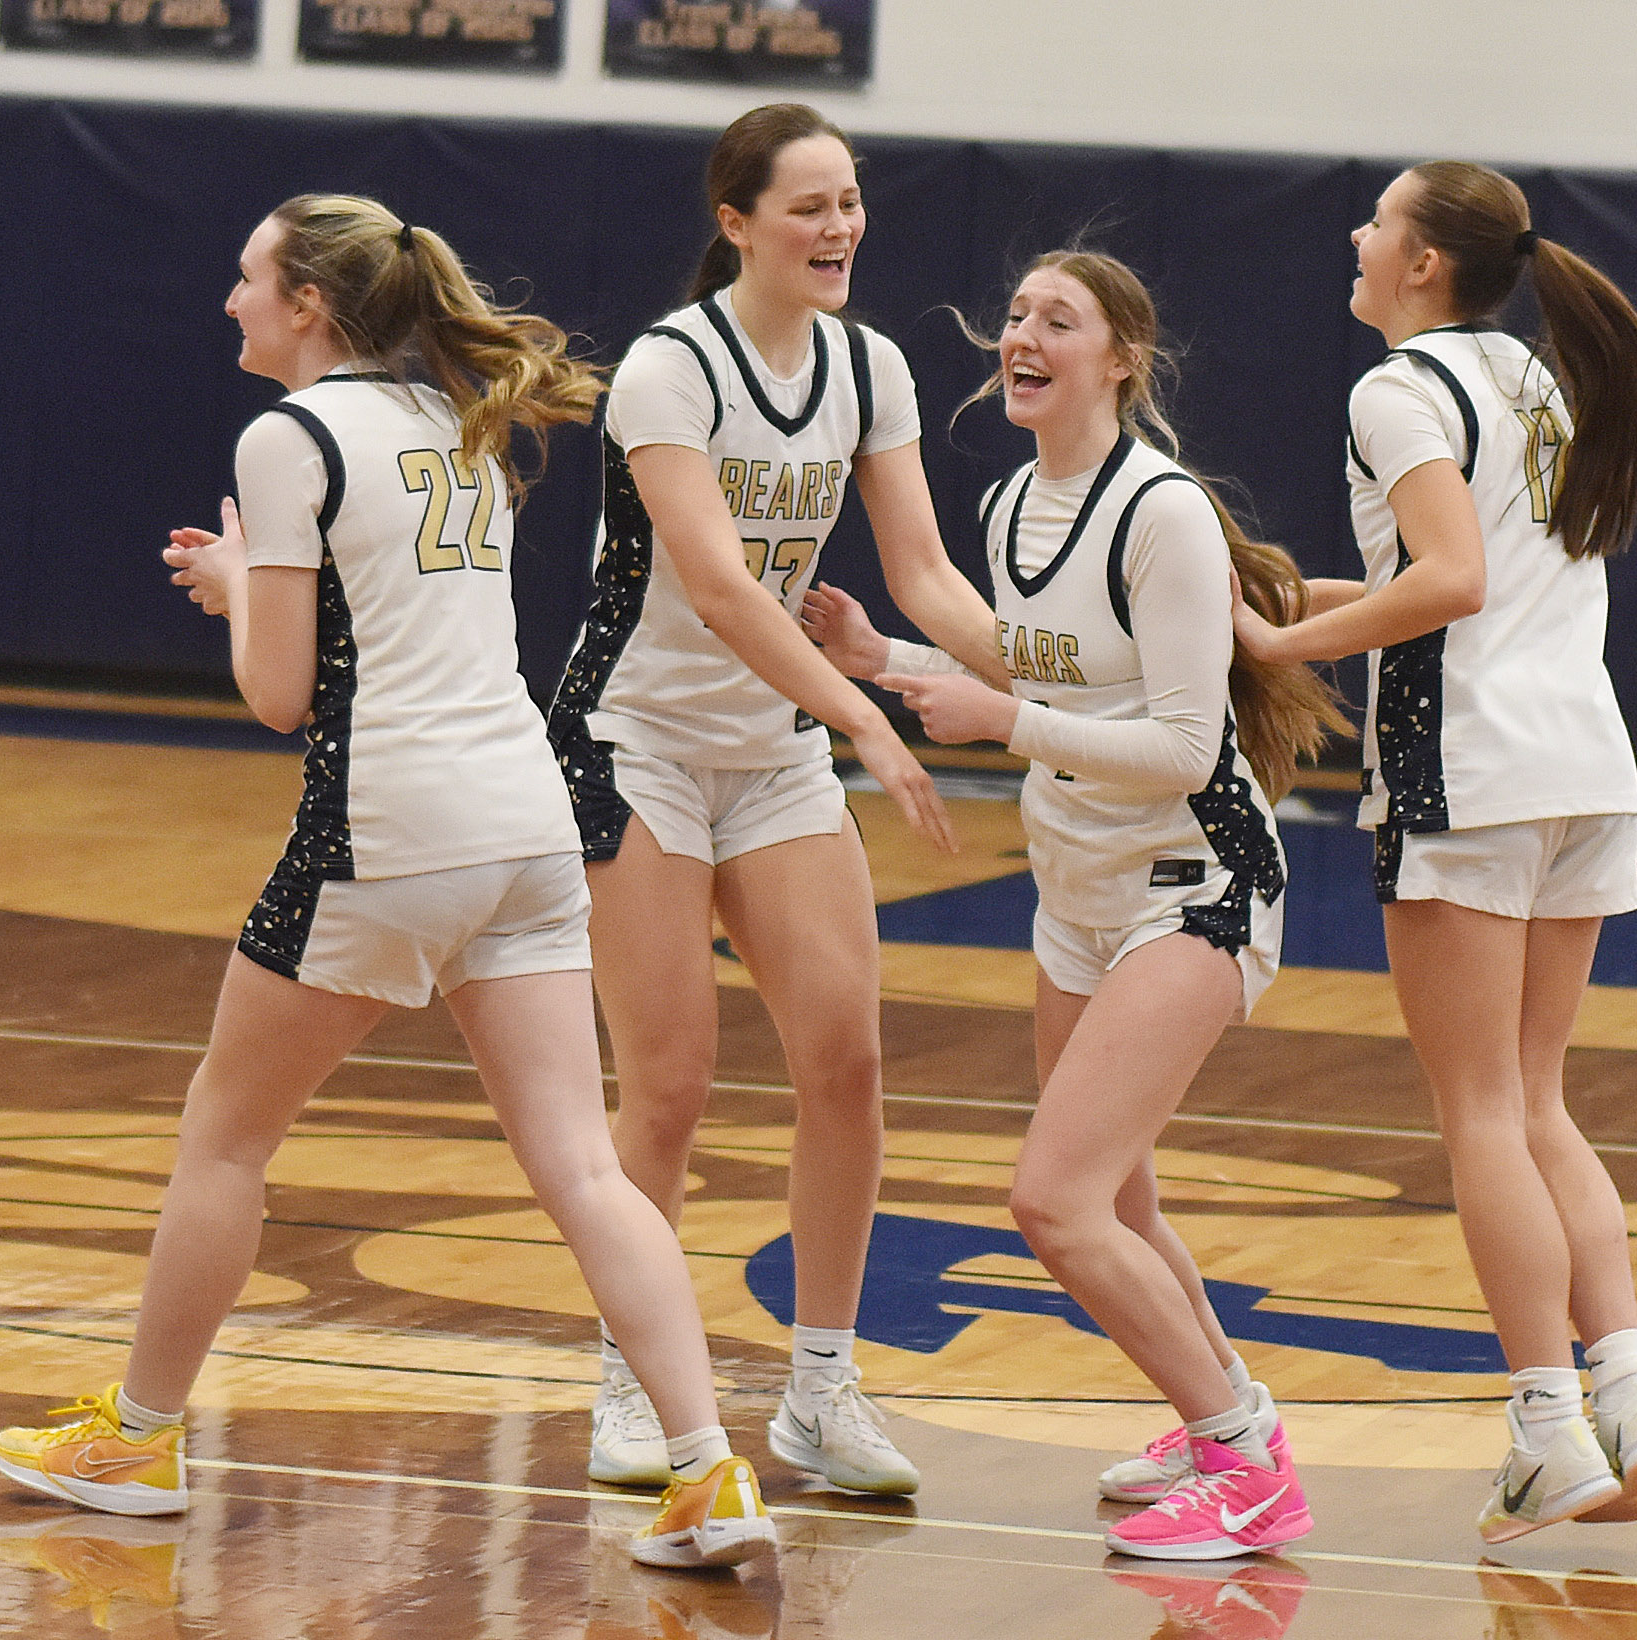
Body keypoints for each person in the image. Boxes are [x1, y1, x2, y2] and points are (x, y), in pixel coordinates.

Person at [0, 195, 774, 1572]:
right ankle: (709, 1472)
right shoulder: (446, 418)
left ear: (305, 303)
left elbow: (284, 695)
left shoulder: (288, 439)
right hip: (529, 826)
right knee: (585, 1166)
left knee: (224, 1137)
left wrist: (239, 590)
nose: (229, 301)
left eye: (246, 279)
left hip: (389, 828)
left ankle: (139, 1434)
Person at [802, 250, 1345, 1559]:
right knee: (1124, 1199)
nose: (1024, 334)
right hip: (1075, 892)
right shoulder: (1009, 506)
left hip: (1195, 885)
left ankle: (1248, 1468)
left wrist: (1008, 722)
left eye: (1061, 318)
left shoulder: (1158, 513)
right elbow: (1039, 666)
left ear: (1120, 360)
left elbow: (1181, 744)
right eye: (1015, 316)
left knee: (1052, 1204)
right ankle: (1231, 1426)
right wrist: (894, 659)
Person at [1230, 161, 1637, 1544]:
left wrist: (1279, 643)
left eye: (1380, 220)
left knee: (1482, 1112)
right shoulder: (1537, 381)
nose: (1357, 236)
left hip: (1468, 774)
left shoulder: (1396, 388)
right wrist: (1291, 592)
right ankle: (1633, 1396)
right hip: (1580, 767)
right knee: (1539, 1099)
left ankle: (1548, 1428)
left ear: (1427, 262)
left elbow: (1452, 585)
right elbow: (1454, 586)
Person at [548, 103, 1005, 1496]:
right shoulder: (671, 372)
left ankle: (820, 1389)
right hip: (638, 741)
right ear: (737, 223)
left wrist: (1058, 677)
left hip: (775, 747)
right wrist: (863, 708)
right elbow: (722, 587)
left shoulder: (870, 366)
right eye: (809, 206)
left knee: (847, 1061)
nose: (842, 227)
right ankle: (636, 1383)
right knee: (671, 1084)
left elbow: (921, 576)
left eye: (852, 201)